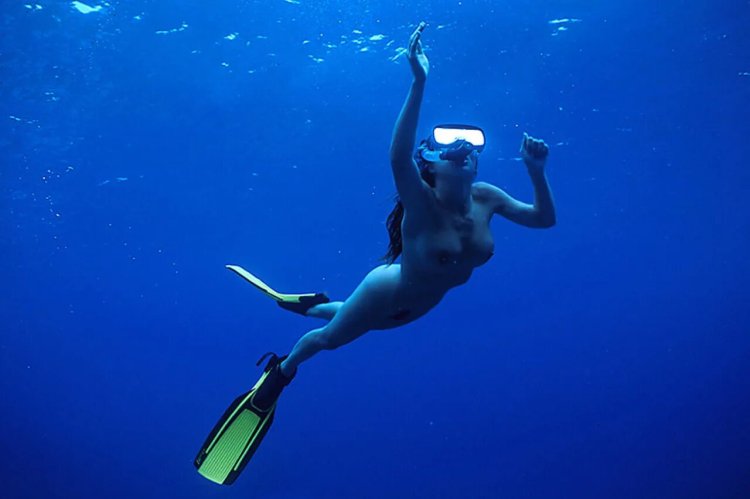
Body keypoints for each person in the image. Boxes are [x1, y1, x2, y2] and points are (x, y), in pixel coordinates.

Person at [194, 22, 557, 485]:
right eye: (448, 144)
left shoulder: (487, 196)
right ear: (429, 163)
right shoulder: (421, 204)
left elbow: (543, 220)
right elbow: (396, 157)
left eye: (471, 143)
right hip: (387, 292)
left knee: (344, 315)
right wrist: (419, 80)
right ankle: (279, 375)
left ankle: (303, 303)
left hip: (417, 306)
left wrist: (536, 170)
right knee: (330, 339)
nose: (464, 148)